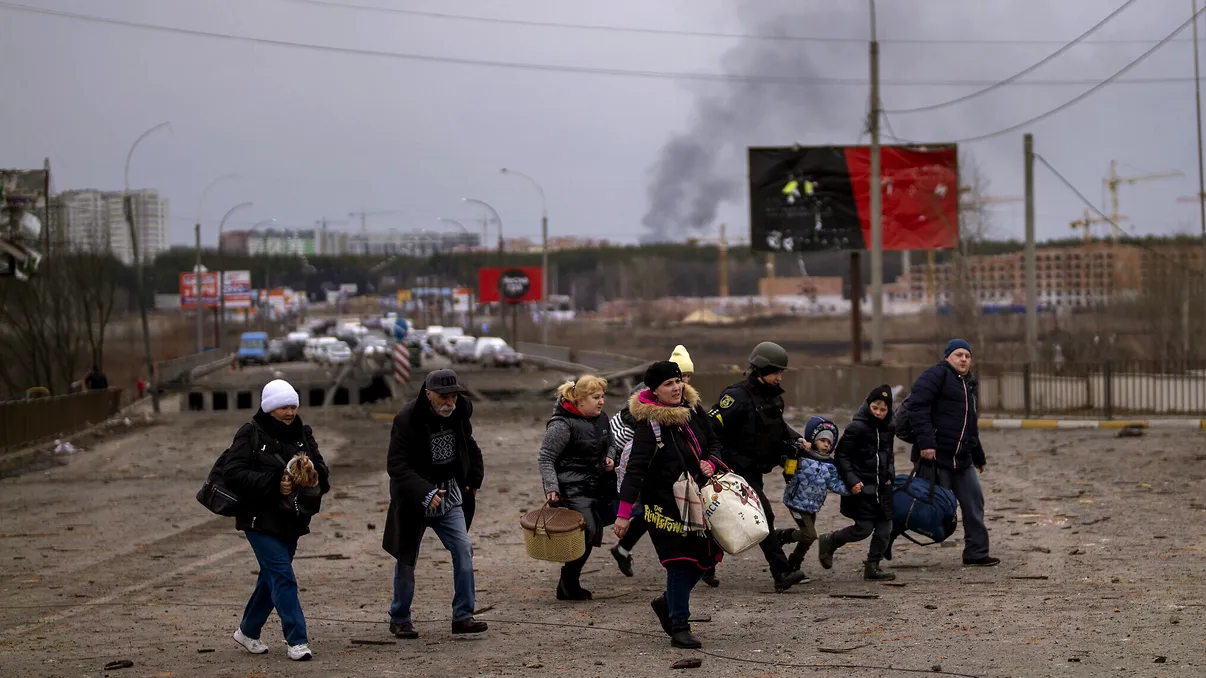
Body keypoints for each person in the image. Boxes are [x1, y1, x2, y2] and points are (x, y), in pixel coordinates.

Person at [615, 361, 723, 649]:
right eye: (668, 384)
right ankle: (679, 625)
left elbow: (714, 441)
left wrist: (710, 462)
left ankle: (667, 602)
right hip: (663, 506)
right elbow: (635, 470)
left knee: (709, 555)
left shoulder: (694, 410)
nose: (676, 387)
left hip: (698, 498)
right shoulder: (648, 425)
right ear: (654, 391)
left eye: (678, 381)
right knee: (679, 562)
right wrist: (624, 515)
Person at [224, 379, 330, 661]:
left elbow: (322, 472)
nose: (290, 412)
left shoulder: (303, 434)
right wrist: (274, 483)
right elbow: (232, 473)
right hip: (257, 519)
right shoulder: (250, 434)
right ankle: (297, 640)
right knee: (283, 576)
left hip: (292, 520)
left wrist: (309, 475)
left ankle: (247, 630)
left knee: (271, 578)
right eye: (284, 406)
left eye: (293, 406)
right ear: (270, 408)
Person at [382, 369, 488, 639]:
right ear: (428, 394)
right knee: (407, 560)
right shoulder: (406, 420)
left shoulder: (461, 412)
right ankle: (400, 618)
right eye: (443, 397)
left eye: (453, 396)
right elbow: (396, 465)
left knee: (463, 549)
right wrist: (425, 492)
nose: (449, 402)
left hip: (450, 494)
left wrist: (474, 477)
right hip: (413, 500)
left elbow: (469, 445)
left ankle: (463, 616)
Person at [708, 341, 809, 592]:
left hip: (755, 468)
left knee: (730, 520)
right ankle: (781, 571)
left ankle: (704, 564)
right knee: (762, 516)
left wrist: (796, 438)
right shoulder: (737, 397)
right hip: (734, 470)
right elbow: (712, 428)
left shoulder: (771, 397)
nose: (780, 377)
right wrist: (716, 462)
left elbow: (778, 426)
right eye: (776, 372)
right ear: (762, 369)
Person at [905, 338, 999, 567]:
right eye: (959, 355)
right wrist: (927, 443)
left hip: (963, 460)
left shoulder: (970, 385)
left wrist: (979, 456)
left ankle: (976, 553)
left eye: (967, 356)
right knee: (924, 507)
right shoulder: (936, 375)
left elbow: (970, 425)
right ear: (947, 356)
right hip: (936, 458)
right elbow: (917, 407)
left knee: (974, 504)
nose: (964, 359)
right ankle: (884, 542)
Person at [608, 344, 696, 579]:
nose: (682, 383)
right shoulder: (647, 394)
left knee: (650, 513)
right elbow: (628, 415)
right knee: (652, 510)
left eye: (685, 377)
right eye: (679, 377)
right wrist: (649, 422)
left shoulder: (685, 398)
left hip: (669, 468)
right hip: (641, 455)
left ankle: (623, 548)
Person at [538, 375, 612, 600]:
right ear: (579, 400)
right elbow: (546, 457)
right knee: (588, 532)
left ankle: (567, 583)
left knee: (593, 530)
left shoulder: (601, 418)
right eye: (595, 397)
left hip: (597, 484)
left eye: (602, 397)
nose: (601, 402)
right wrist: (552, 487)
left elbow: (612, 443)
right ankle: (569, 582)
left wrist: (610, 456)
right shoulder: (562, 425)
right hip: (572, 487)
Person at [817, 385, 897, 581]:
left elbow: (888, 454)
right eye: (875, 408)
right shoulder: (857, 428)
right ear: (868, 405)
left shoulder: (889, 427)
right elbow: (842, 456)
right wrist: (852, 480)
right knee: (864, 529)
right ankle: (831, 540)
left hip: (882, 487)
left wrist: (890, 474)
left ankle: (873, 566)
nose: (878, 412)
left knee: (885, 530)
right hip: (862, 488)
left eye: (883, 409)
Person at [776, 416, 848, 575]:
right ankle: (781, 536)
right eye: (822, 440)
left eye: (829, 442)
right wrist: (797, 450)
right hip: (796, 503)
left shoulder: (830, 465)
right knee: (809, 535)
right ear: (813, 439)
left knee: (806, 538)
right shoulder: (802, 456)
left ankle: (793, 564)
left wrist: (852, 489)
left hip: (812, 506)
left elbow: (834, 484)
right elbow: (784, 461)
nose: (825, 444)